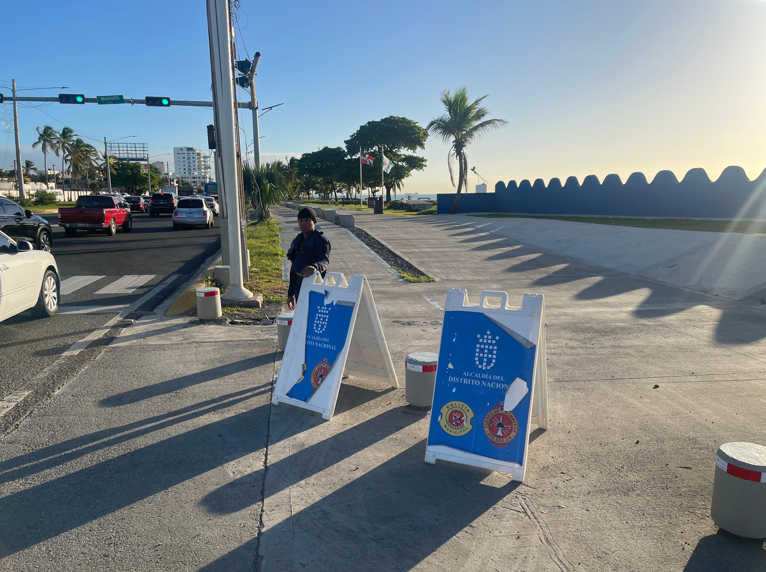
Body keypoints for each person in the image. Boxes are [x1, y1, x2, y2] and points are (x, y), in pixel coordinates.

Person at [286, 207, 331, 310]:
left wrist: (314, 267)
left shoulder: (321, 241)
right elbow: (294, 268)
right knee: (302, 316)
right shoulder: (297, 241)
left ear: (314, 222)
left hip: (315, 286)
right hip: (299, 287)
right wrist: (290, 294)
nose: (303, 223)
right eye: (300, 220)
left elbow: (324, 261)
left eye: (306, 220)